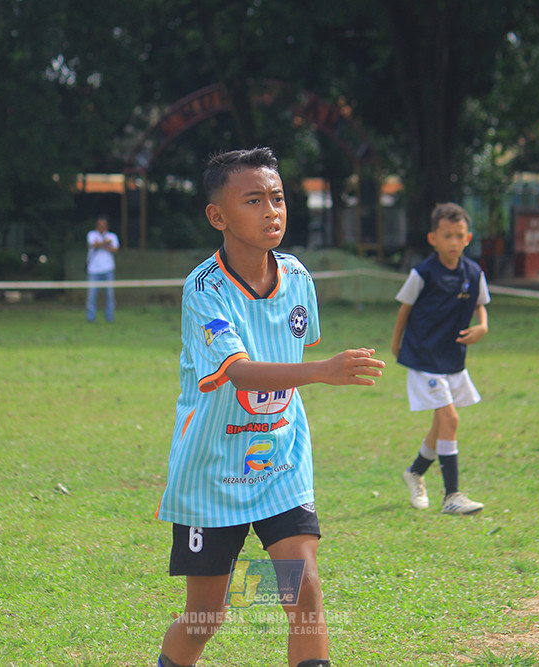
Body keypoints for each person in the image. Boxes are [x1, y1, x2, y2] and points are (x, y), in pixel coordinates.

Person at [155, 147, 385, 667]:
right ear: (218, 216)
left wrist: (314, 372)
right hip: (212, 474)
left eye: (278, 198)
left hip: (279, 464)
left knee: (304, 594)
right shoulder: (204, 289)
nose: (272, 211)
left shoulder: (298, 278)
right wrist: (323, 371)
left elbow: (289, 352)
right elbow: (238, 371)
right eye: (254, 200)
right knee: (206, 616)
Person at [392, 202, 490, 515]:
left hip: (453, 358)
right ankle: (452, 496)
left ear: (468, 238)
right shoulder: (423, 273)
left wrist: (483, 327)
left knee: (442, 422)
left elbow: (480, 304)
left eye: (459, 236)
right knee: (451, 419)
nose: (453, 242)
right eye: (447, 236)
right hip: (424, 358)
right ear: (433, 239)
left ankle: (416, 472)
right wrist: (396, 344)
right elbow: (405, 308)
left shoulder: (474, 273)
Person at [85, 214, 119, 323]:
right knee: (91, 296)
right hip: (93, 270)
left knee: (110, 296)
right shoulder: (91, 234)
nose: (102, 227)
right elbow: (93, 244)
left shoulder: (112, 236)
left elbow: (115, 248)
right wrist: (105, 243)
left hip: (108, 269)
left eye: (104, 225)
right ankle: (91, 318)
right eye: (100, 225)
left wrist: (103, 244)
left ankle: (109, 317)